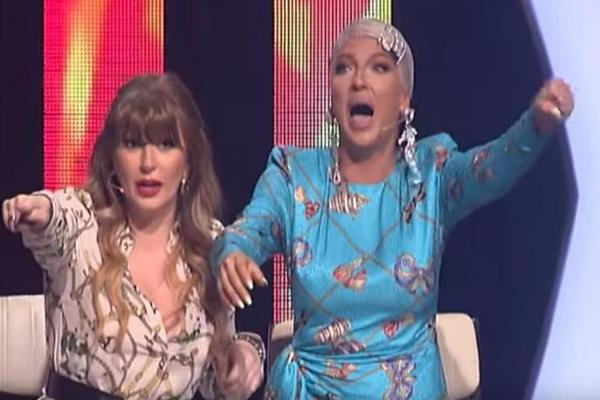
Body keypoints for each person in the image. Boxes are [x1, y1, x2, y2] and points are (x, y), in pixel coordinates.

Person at [210, 18, 574, 399]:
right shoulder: (293, 176)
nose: (358, 81)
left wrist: (535, 125)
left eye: (379, 68)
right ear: (331, 95)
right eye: (343, 68)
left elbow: (489, 169)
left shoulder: (430, 175)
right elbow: (246, 231)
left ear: (403, 99)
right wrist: (234, 253)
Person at [1, 73, 264, 400]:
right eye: (133, 143)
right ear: (113, 159)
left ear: (188, 165)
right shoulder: (82, 224)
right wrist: (38, 210)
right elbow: (56, 218)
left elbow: (216, 383)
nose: (148, 163)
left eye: (166, 144)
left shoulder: (212, 244)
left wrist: (244, 354)